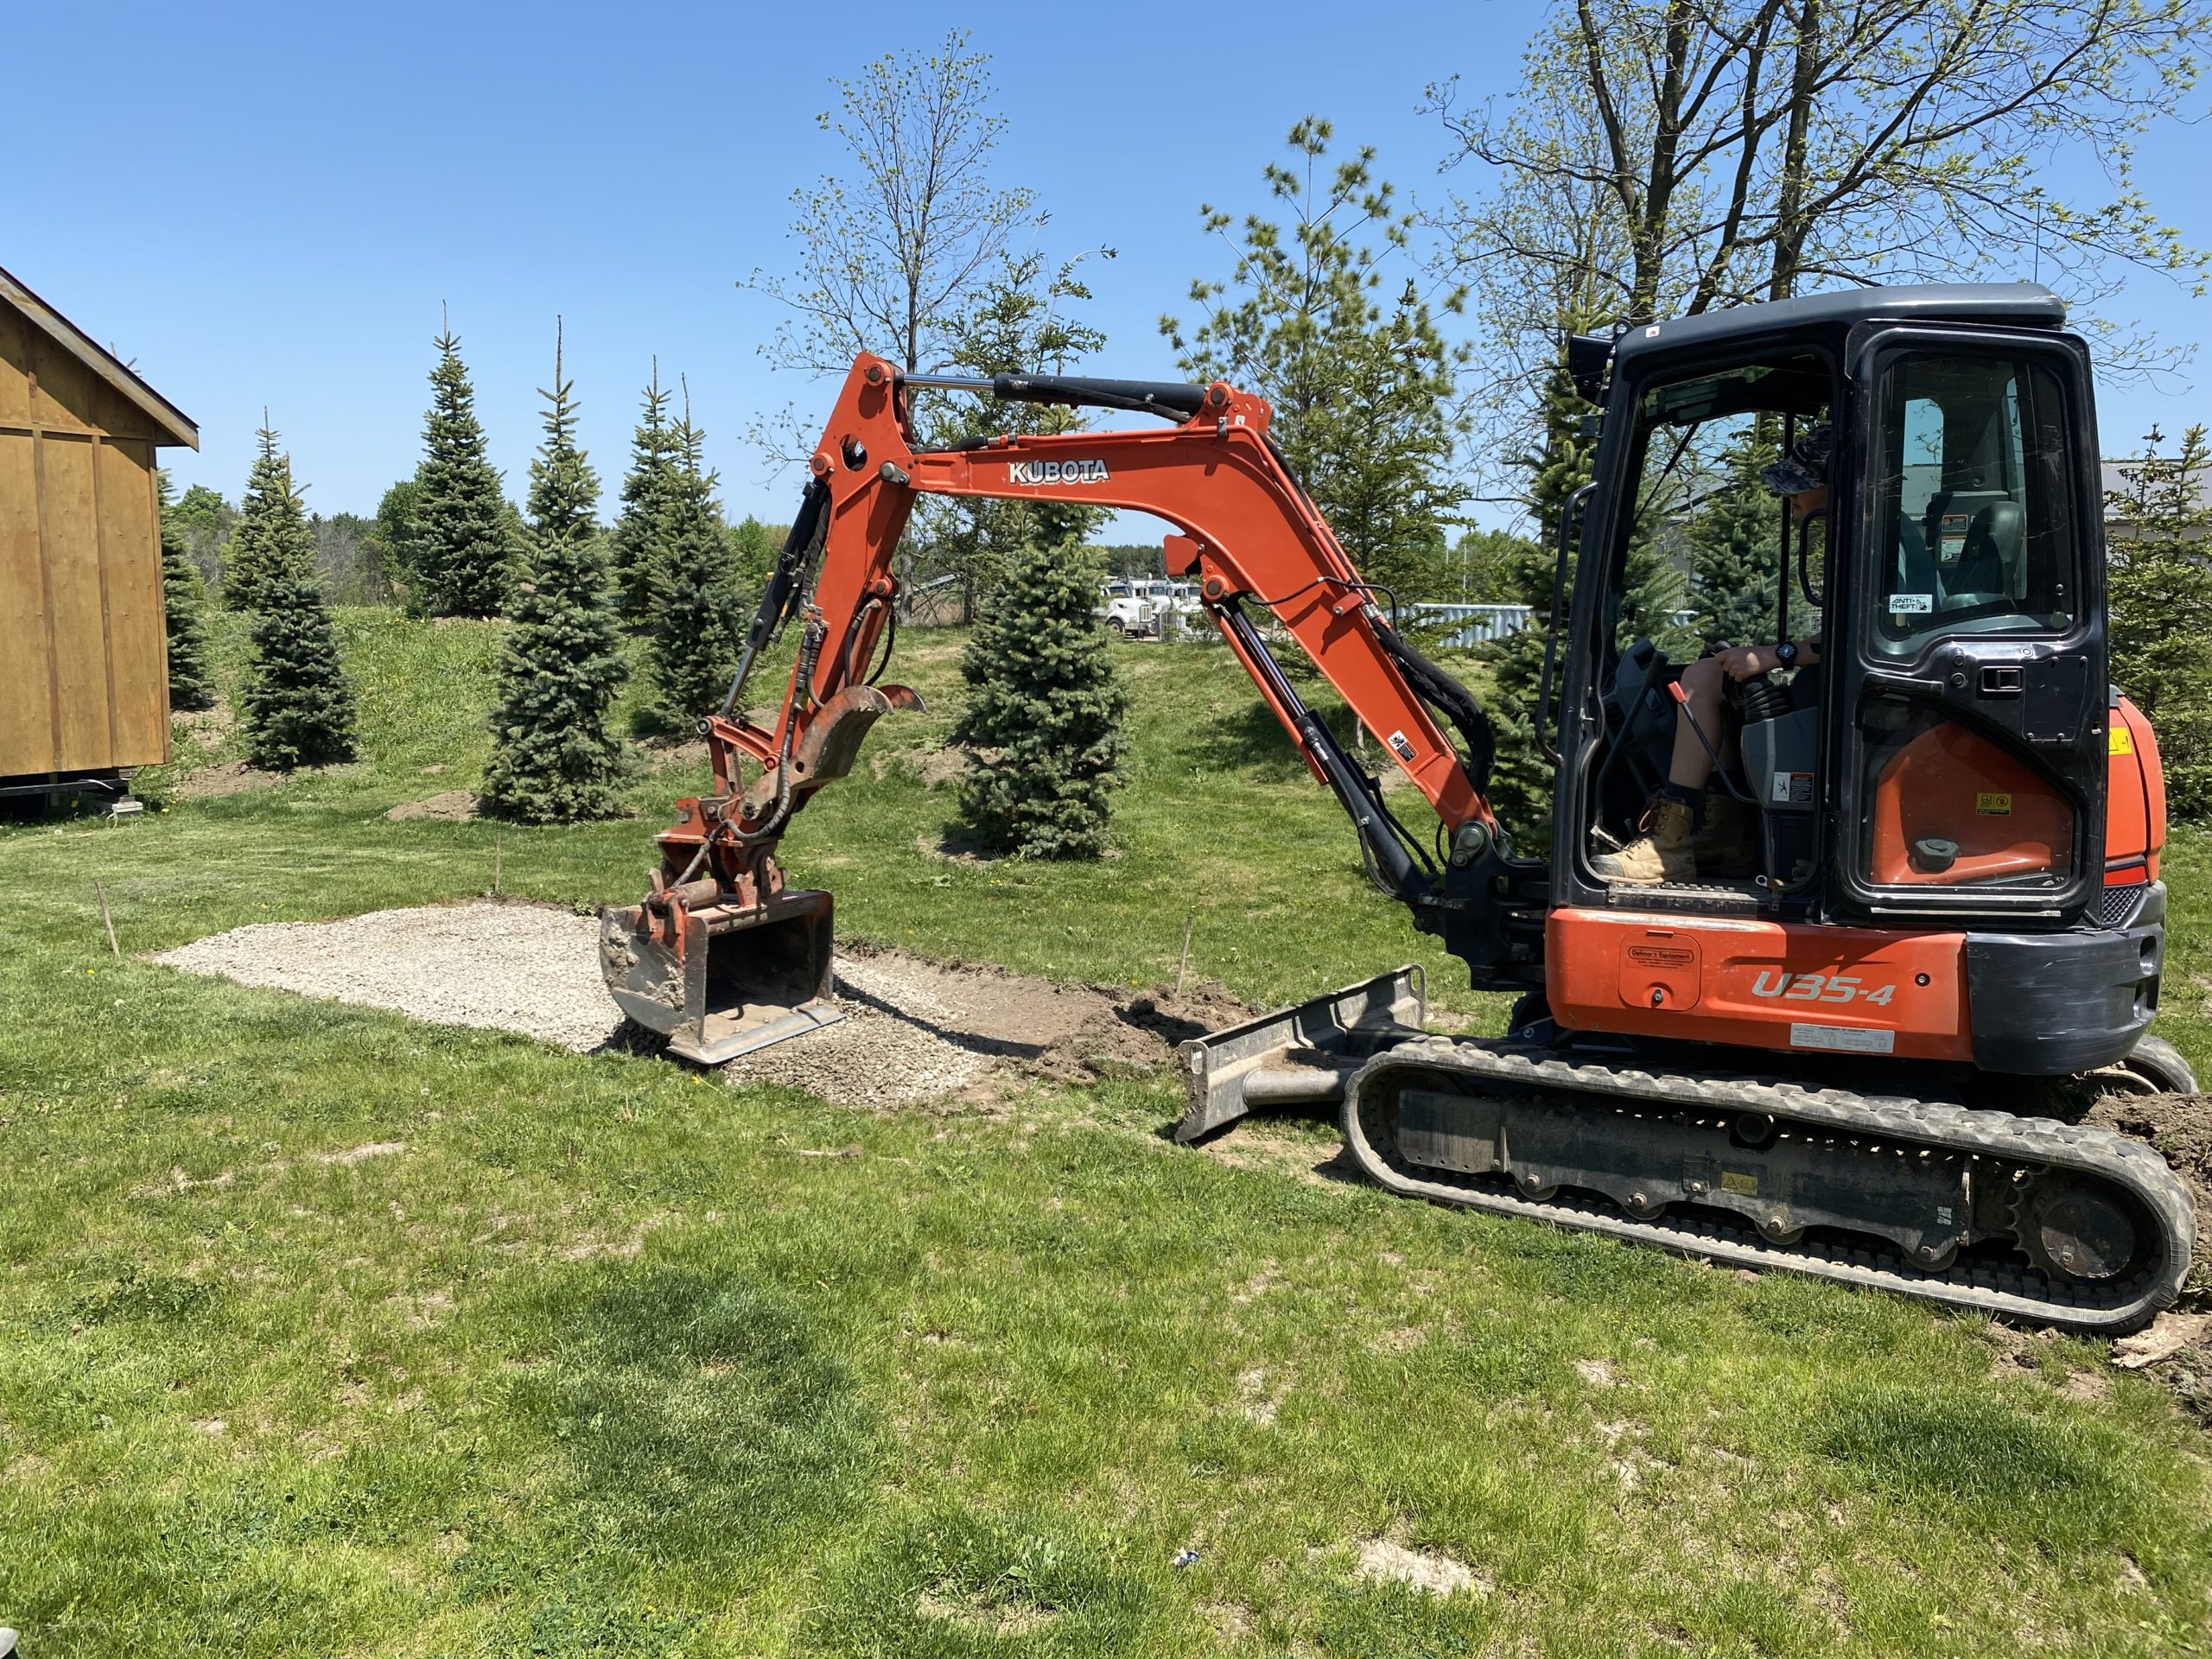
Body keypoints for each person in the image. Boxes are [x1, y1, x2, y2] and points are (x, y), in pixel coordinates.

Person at [1592, 424, 1832, 886]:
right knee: (1704, 677)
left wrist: (1774, 655)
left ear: (1838, 484)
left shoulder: (1880, 545)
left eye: (1803, 484)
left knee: (1710, 678)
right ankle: (1711, 836)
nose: (1792, 496)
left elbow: (1872, 641)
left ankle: (1673, 845)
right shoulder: (1851, 543)